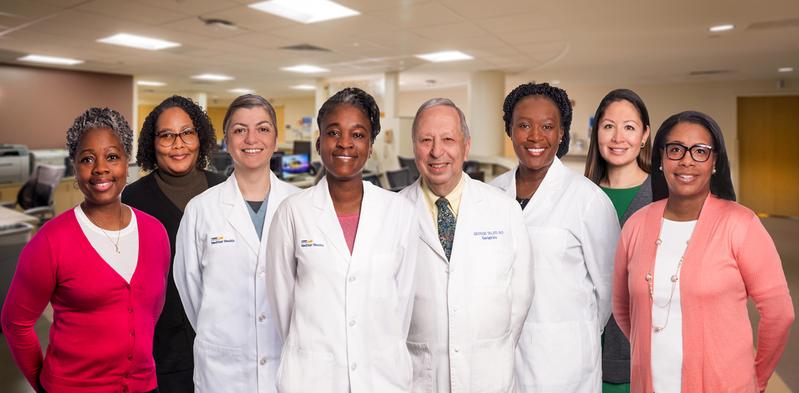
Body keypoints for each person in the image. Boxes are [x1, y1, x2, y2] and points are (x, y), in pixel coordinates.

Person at [612, 111, 794, 393]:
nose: (686, 160)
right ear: (661, 159)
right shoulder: (636, 225)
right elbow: (622, 307)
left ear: (714, 162)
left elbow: (779, 313)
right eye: (675, 150)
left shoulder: (741, 225)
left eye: (700, 151)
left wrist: (756, 378)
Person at [1, 107, 170, 393]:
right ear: (75, 167)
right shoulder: (50, 241)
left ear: (126, 162)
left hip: (144, 386)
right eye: (87, 159)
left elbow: (151, 311)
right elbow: (15, 323)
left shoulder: (156, 233)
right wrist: (43, 385)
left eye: (112, 157)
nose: (101, 168)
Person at [266, 87, 417, 392]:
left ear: (371, 146)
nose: (345, 143)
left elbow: (402, 304)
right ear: (319, 141)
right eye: (334, 132)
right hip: (312, 377)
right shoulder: (292, 212)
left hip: (382, 377)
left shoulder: (399, 211)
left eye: (358, 134)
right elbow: (283, 305)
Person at [490, 83, 619, 393]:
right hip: (500, 360)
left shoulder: (588, 200)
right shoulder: (490, 194)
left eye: (548, 126)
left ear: (562, 133)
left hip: (564, 364)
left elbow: (610, 290)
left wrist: (573, 331)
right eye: (523, 125)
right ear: (509, 130)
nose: (535, 136)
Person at [399, 97, 534, 393]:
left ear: (466, 146)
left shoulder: (504, 209)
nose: (437, 151)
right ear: (414, 147)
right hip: (419, 378)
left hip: (489, 376)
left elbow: (520, 296)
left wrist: (490, 349)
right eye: (426, 140)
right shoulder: (392, 213)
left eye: (448, 139)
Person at [173, 94, 299, 392]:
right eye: (240, 129)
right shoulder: (200, 209)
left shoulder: (301, 205)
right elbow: (190, 291)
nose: (251, 138)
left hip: (287, 366)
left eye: (263, 129)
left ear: (276, 140)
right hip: (222, 371)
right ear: (226, 140)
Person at [122, 95, 225, 392]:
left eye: (186, 133)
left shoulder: (225, 190)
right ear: (152, 144)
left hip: (223, 342)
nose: (178, 144)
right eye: (166, 135)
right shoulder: (133, 200)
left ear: (200, 137)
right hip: (162, 349)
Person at [583, 88, 653, 393]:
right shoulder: (579, 196)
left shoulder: (663, 196)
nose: (617, 138)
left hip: (643, 359)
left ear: (645, 135)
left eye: (629, 128)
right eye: (608, 126)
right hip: (583, 355)